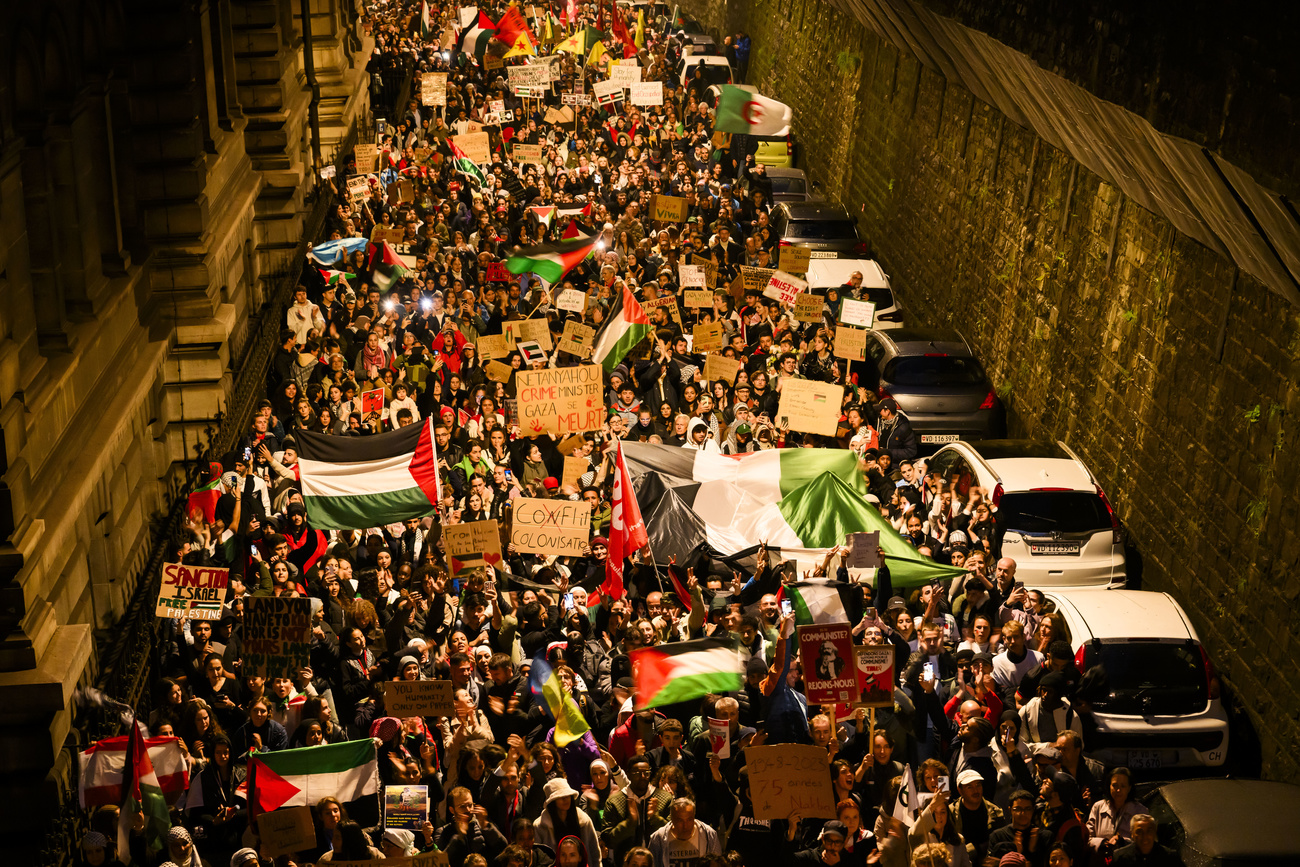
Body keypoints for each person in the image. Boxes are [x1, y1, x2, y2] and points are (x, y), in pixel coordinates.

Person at [1085, 768, 1149, 866]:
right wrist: (1102, 843)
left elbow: (1145, 842)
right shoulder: (1098, 807)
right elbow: (1087, 837)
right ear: (1109, 786)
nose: (1118, 790)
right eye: (1114, 785)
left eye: (1123, 786)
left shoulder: (1140, 811)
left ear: (1129, 788)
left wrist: (1123, 842)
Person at [647, 798, 721, 866]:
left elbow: (718, 863)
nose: (685, 826)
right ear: (672, 819)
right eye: (680, 820)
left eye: (689, 819)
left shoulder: (709, 834)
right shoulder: (658, 838)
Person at [1108, 815, 1179, 867]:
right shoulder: (1119, 857)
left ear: (1154, 832)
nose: (1145, 836)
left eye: (1149, 831)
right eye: (1139, 832)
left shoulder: (1170, 857)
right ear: (1132, 834)